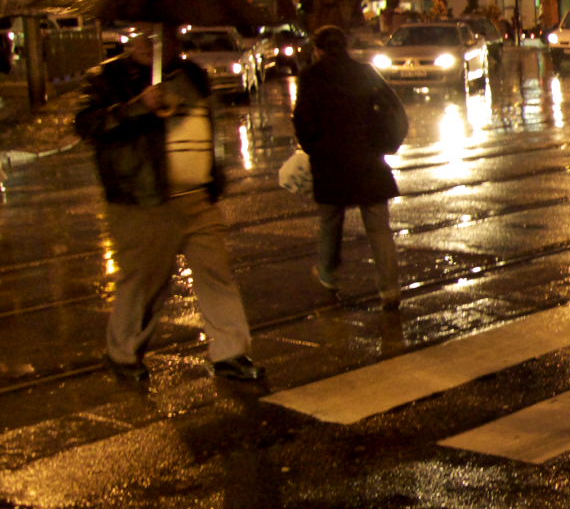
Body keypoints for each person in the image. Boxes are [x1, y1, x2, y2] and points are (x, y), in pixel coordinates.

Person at [73, 29, 265, 382]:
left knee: (216, 274)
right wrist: (137, 106)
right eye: (145, 37)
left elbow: (207, 127)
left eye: (163, 36)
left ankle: (231, 352)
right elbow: (87, 124)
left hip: (197, 197)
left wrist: (212, 177)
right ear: (132, 40)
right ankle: (124, 353)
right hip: (144, 200)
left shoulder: (191, 75)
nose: (153, 43)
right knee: (146, 282)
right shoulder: (107, 77)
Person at [296, 26, 407, 310]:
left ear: (318, 49)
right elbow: (395, 110)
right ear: (345, 46)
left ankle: (328, 278)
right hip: (368, 161)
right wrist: (386, 144)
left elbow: (304, 122)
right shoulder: (365, 73)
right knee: (379, 229)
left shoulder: (312, 78)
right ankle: (390, 289)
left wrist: (314, 149)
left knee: (330, 223)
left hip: (330, 163)